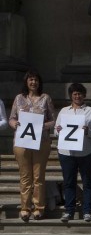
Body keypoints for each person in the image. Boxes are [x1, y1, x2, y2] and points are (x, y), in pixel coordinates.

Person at [8, 70, 56, 221]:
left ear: (39, 82)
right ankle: (25, 207)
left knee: (38, 176)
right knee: (25, 176)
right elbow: (11, 118)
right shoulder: (19, 98)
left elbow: (54, 120)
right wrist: (15, 124)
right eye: (30, 80)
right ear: (26, 82)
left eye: (36, 80)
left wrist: (43, 126)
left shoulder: (45, 98)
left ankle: (39, 208)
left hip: (41, 141)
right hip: (22, 142)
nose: (33, 82)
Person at [55, 82, 91, 223]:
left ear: (84, 95)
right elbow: (57, 131)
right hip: (67, 153)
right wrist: (57, 131)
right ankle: (69, 210)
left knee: (88, 182)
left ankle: (87, 210)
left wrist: (88, 131)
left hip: (86, 152)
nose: (77, 96)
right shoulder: (64, 111)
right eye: (75, 94)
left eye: (80, 94)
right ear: (71, 96)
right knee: (69, 182)